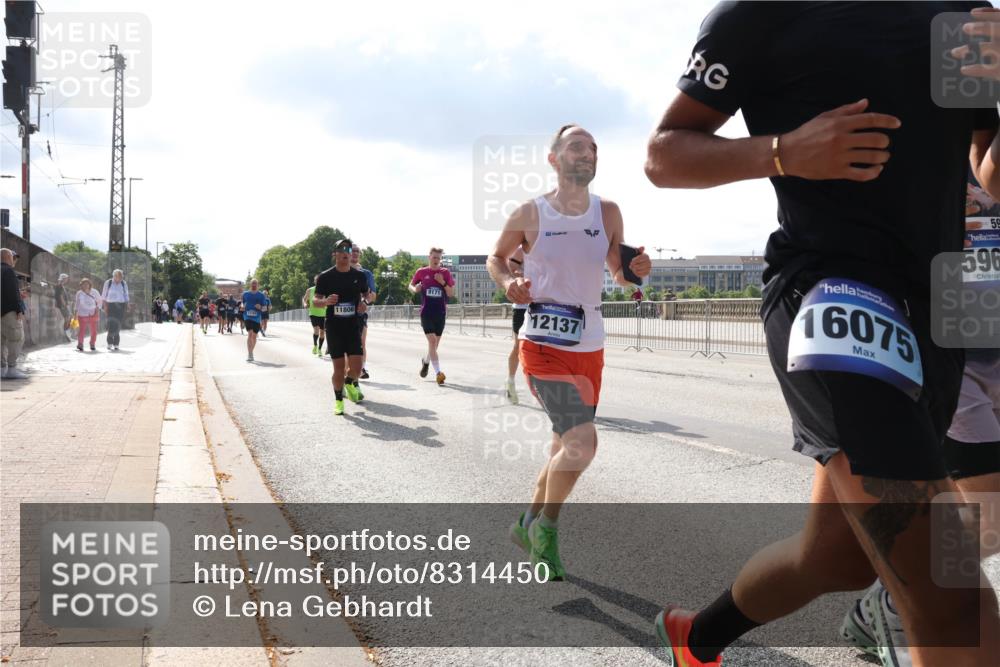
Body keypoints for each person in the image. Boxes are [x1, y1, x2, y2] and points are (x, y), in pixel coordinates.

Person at [643, 3, 1000, 665]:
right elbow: (664, 155)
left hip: (936, 312)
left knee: (834, 557)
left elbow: (988, 172)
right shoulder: (760, 13)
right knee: (953, 599)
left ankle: (698, 636)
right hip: (833, 298)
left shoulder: (961, 14)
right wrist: (783, 152)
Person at [840, 170, 1000, 665]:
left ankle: (893, 594)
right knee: (991, 510)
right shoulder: (941, 154)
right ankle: (899, 600)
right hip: (956, 355)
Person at [486, 124, 650, 581]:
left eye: (594, 147)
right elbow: (496, 257)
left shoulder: (609, 211)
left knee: (562, 446)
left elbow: (618, 271)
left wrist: (637, 271)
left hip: (590, 346)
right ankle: (547, 530)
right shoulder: (530, 213)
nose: (588, 153)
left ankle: (526, 522)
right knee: (582, 443)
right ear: (554, 158)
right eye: (577, 145)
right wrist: (508, 283)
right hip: (542, 343)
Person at [314, 239, 369, 415]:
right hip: (334, 328)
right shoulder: (325, 277)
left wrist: (364, 303)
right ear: (335, 254)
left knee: (358, 368)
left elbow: (366, 295)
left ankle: (349, 381)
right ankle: (338, 401)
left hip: (352, 326)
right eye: (342, 249)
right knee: (338, 368)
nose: (346, 252)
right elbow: (315, 300)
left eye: (348, 249)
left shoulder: (359, 276)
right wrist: (325, 301)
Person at [409, 247, 455, 385]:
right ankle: (438, 373)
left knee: (434, 345)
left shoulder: (445, 273)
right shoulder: (421, 272)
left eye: (438, 258)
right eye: (434, 257)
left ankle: (426, 362)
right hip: (426, 312)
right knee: (432, 341)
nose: (436, 260)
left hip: (440, 313)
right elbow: (410, 285)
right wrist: (414, 289)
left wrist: (443, 282)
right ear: (429, 257)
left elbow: (451, 293)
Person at [351, 245, 377, 378]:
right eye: (352, 251)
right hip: (342, 315)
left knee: (361, 343)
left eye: (357, 251)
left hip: (360, 314)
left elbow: (373, 294)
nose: (355, 253)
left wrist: (364, 302)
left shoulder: (366, 274)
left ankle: (361, 369)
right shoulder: (339, 272)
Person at [0, 248, 26, 379]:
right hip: (9, 312)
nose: (13, 260)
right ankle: (11, 369)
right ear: (8, 257)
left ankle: (1, 368)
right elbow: (11, 292)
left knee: (1, 342)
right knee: (16, 338)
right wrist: (19, 309)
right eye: (12, 257)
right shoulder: (9, 271)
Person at [505, 247, 527, 404]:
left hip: (543, 306)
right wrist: (518, 275)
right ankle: (510, 382)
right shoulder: (522, 249)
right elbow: (509, 268)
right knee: (518, 347)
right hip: (521, 307)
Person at [101, 269, 129, 351]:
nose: (119, 278)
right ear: (114, 276)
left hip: (121, 305)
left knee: (118, 324)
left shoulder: (124, 283)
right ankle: (109, 342)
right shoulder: (108, 283)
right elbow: (104, 295)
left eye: (120, 276)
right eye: (117, 276)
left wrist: (127, 305)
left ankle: (116, 343)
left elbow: (126, 295)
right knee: (110, 324)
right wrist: (105, 306)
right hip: (111, 305)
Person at [73, 278, 102, 352]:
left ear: (90, 284)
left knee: (94, 331)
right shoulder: (79, 293)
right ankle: (80, 344)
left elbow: (99, 301)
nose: (85, 285)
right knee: (81, 330)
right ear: (81, 285)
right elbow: (77, 304)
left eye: (87, 284)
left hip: (93, 313)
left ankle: (92, 344)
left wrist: (97, 310)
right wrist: (75, 313)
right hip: (82, 314)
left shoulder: (95, 292)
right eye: (83, 284)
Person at [242, 280, 268, 362]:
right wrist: (242, 306)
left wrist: (260, 307)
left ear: (258, 285)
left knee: (254, 335)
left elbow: (265, 308)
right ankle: (250, 354)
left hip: (257, 318)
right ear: (250, 285)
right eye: (252, 284)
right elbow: (243, 303)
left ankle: (251, 351)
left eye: (255, 284)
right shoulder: (245, 294)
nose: (254, 285)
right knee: (250, 334)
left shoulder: (261, 296)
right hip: (247, 316)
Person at [303, 275, 327, 356]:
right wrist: (305, 304)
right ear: (314, 281)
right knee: (316, 330)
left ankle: (320, 349)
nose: (318, 281)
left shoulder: (326, 290)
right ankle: (315, 346)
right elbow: (304, 299)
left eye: (319, 280)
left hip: (323, 314)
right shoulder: (310, 290)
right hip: (313, 313)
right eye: (317, 280)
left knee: (322, 333)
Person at [54, 273, 72, 339]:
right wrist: (64, 305)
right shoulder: (60, 286)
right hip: (62, 305)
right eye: (66, 278)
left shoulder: (61, 286)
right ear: (63, 279)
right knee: (67, 318)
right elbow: (60, 296)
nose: (67, 280)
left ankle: (67, 333)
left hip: (63, 305)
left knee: (69, 318)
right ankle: (66, 334)